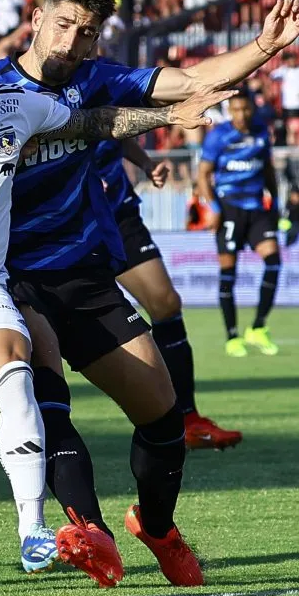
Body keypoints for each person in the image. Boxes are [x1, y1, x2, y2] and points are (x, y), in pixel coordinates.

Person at [0, 8, 229, 592]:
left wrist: (169, 116)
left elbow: (91, 122)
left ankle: (33, 528)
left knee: (16, 371)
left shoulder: (13, 106)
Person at [0, 0, 299, 588]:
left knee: (161, 416)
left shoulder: (97, 76)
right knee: (43, 392)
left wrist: (265, 47)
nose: (72, 41)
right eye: (63, 24)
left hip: (84, 274)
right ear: (35, 19)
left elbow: (192, 82)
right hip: (9, 278)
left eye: (86, 32)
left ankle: (156, 527)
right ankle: (91, 531)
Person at [97, 136, 243, 450]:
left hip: (119, 213)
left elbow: (114, 122)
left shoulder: (96, 85)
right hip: (64, 218)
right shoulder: (27, 92)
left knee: (165, 304)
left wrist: (146, 163)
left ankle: (188, 420)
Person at [197, 92, 282, 358]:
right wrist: (213, 209)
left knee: (274, 261)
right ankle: (232, 336)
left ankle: (258, 327)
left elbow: (267, 169)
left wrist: (276, 203)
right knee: (229, 272)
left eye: (246, 110)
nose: (242, 115)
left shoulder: (260, 132)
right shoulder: (218, 136)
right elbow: (203, 175)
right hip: (229, 209)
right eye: (236, 110)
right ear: (230, 110)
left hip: (257, 208)